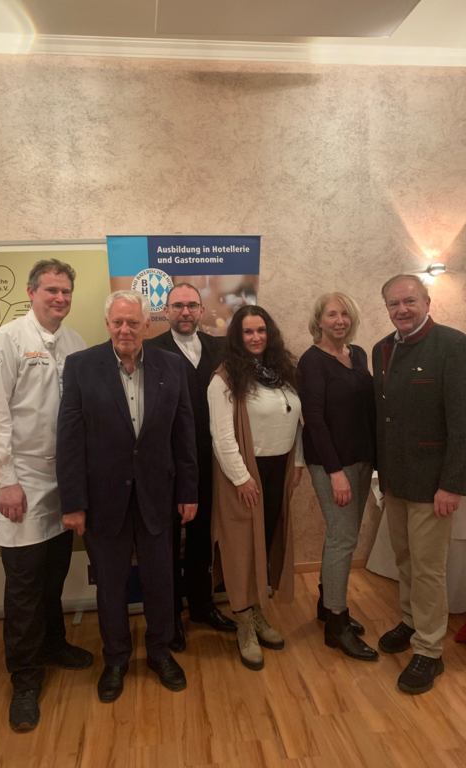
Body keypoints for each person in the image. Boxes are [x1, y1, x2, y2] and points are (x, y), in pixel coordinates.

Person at [56, 290, 198, 703]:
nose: (125, 330)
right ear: (107, 324)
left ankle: (160, 652)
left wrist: (189, 490)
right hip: (103, 499)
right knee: (111, 586)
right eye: (117, 322)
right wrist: (73, 502)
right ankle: (116, 659)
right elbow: (69, 439)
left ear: (147, 325)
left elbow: (183, 432)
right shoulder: (81, 366)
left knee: (160, 581)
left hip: (157, 494)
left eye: (133, 323)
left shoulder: (171, 365)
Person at [0, 259, 93, 733]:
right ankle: (25, 680)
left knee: (54, 574)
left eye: (66, 291)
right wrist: (5, 480)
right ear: (31, 292)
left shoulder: (76, 343)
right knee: (24, 585)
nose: (60, 298)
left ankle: (53, 644)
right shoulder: (6, 340)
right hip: (22, 478)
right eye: (51, 290)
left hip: (64, 479)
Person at [373, 274, 466, 694]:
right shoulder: (382, 348)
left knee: (429, 568)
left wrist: (452, 484)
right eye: (394, 303)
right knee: (404, 559)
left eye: (410, 301)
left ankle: (429, 650)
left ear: (427, 302)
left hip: (433, 483)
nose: (402, 309)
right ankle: (411, 620)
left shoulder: (454, 345)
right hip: (395, 479)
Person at [208, 305, 303, 671]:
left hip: (278, 471)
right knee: (240, 550)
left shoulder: (283, 373)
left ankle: (258, 611)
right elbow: (222, 436)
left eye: (261, 330)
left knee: (263, 544)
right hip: (245, 475)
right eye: (248, 331)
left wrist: (297, 464)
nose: (256, 337)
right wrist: (240, 477)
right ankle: (244, 623)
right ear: (237, 336)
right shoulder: (225, 378)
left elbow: (298, 421)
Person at [145, 283, 237, 652]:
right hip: (166, 465)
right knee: (167, 544)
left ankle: (202, 606)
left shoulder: (220, 348)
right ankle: (170, 618)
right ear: (166, 311)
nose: (185, 312)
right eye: (178, 306)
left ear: (201, 310)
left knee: (201, 539)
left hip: (211, 460)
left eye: (192, 306)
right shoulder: (151, 351)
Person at [298, 293, 378, 662]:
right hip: (333, 465)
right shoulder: (312, 361)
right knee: (343, 538)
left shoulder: (358, 355)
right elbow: (314, 421)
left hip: (361, 460)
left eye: (345, 313)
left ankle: (325, 603)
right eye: (331, 314)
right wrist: (335, 473)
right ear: (319, 320)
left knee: (342, 536)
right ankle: (336, 621)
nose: (339, 320)